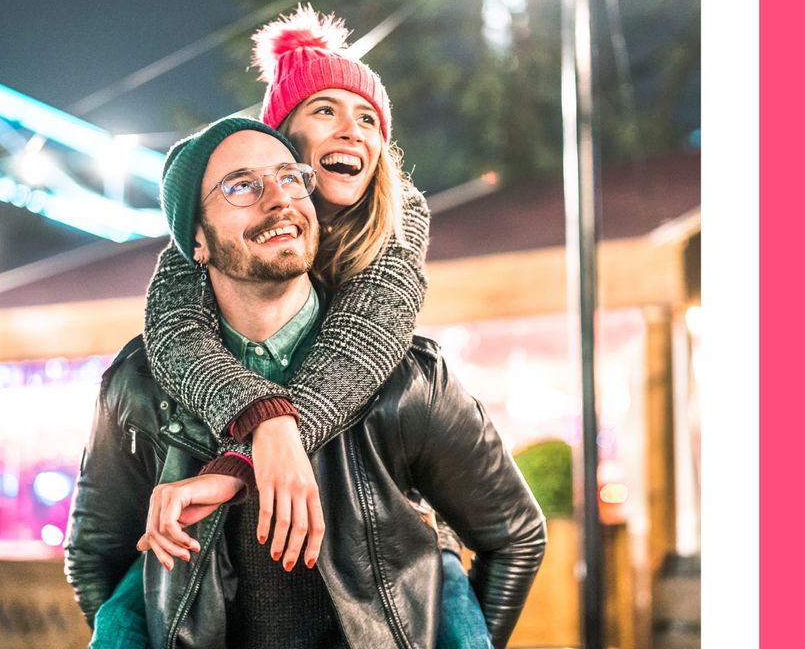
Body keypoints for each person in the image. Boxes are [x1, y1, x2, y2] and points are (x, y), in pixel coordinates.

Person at [65, 117, 546, 648]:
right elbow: (96, 559)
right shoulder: (139, 384)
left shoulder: (407, 381)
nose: (279, 199)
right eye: (242, 185)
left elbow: (515, 538)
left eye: (291, 177)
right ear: (196, 239)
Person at [146, 6, 490, 646]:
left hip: (386, 531)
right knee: (127, 603)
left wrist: (262, 439)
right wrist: (259, 420)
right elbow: (171, 329)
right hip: (239, 552)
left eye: (368, 119)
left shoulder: (397, 221)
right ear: (279, 134)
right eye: (325, 111)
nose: (352, 131)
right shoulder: (222, 212)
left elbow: (364, 339)